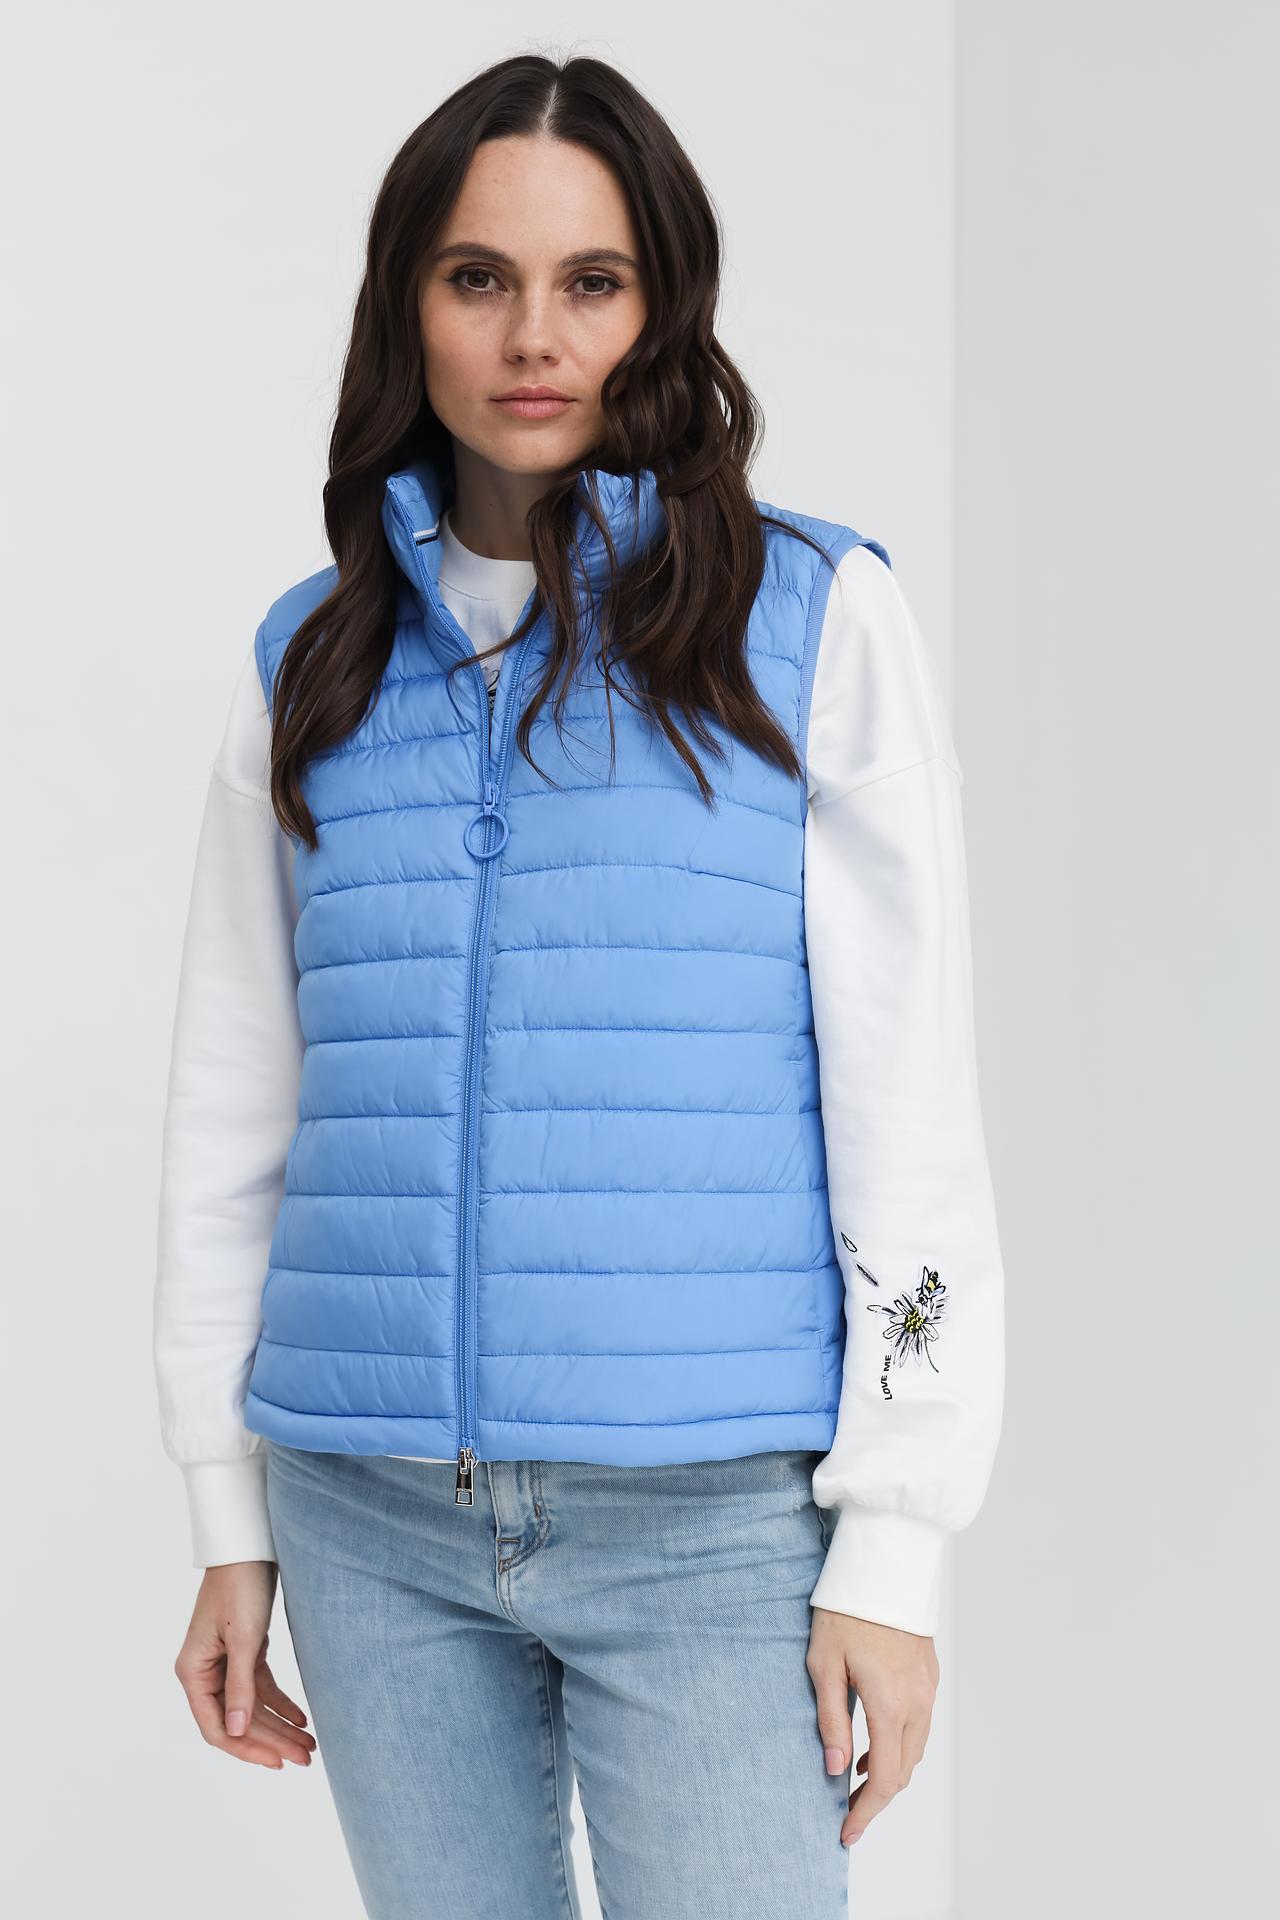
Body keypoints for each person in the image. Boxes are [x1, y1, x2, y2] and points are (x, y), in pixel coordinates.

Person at [152, 51, 1005, 1920]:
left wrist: (893, 1543)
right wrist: (229, 1513)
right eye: (480, 278)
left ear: (663, 304)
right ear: (409, 305)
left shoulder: (811, 621)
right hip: (367, 1515)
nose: (535, 335)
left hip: (714, 1528)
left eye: (592, 282)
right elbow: (236, 1114)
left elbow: (909, 1110)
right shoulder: (309, 660)